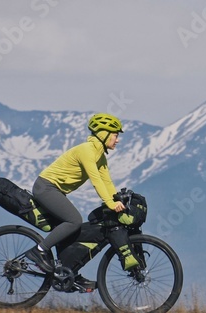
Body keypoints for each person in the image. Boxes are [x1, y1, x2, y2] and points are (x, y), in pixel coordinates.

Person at [25, 112, 139, 288]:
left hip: (56, 190)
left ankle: (68, 271)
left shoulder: (100, 156)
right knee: (74, 221)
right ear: (104, 134)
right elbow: (96, 180)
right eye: (115, 135)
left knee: (71, 232)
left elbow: (107, 181)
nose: (117, 140)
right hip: (45, 187)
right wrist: (110, 203)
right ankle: (39, 251)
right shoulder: (87, 151)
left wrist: (118, 200)